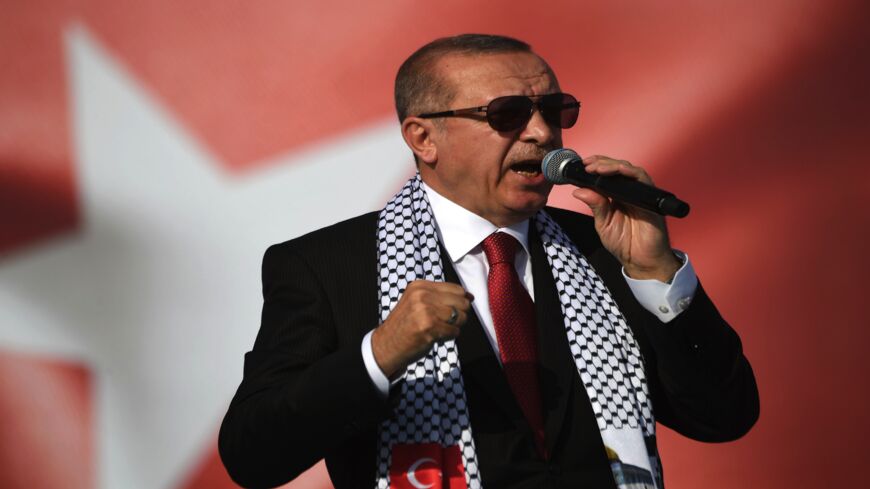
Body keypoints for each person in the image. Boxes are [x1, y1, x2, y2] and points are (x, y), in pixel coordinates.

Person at [218, 34, 759, 489]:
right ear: (424, 137)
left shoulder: (604, 247)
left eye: (554, 110)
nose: (543, 133)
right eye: (507, 115)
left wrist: (655, 274)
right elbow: (253, 455)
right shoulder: (327, 266)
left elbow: (723, 417)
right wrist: (379, 355)